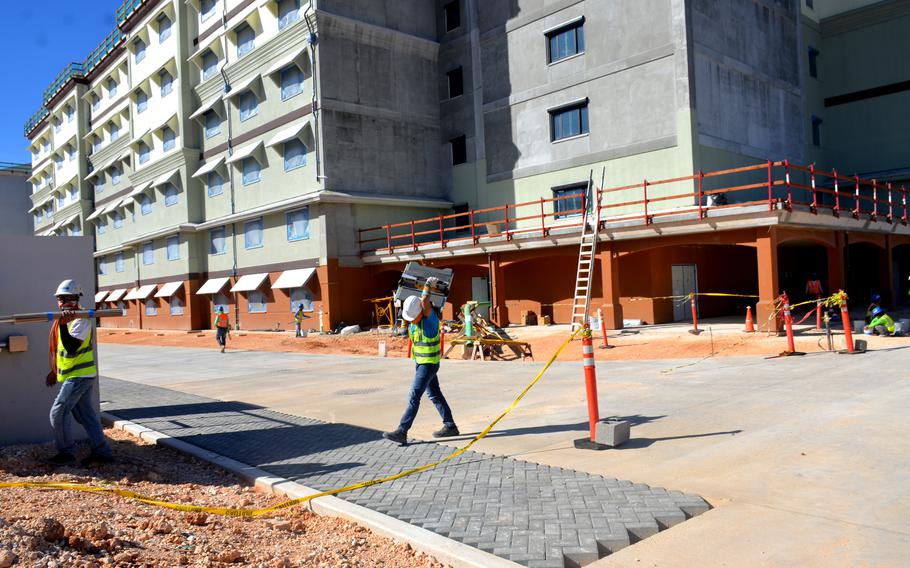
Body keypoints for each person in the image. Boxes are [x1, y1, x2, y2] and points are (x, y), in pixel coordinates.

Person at [383, 277, 459, 445]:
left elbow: (425, 301)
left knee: (414, 396)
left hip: (428, 365)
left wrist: (427, 286)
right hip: (421, 364)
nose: (411, 320)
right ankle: (450, 426)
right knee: (434, 394)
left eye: (412, 317)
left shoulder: (430, 321)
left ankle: (402, 431)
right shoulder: (414, 323)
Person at [46, 279, 114, 466]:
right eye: (61, 299)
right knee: (85, 416)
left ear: (77, 298)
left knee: (58, 413)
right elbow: (57, 349)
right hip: (74, 375)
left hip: (79, 376)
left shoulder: (81, 320)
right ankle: (103, 452)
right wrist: (54, 371)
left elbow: (71, 348)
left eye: (69, 298)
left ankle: (66, 453)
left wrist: (61, 324)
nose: (64, 302)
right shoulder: (66, 319)